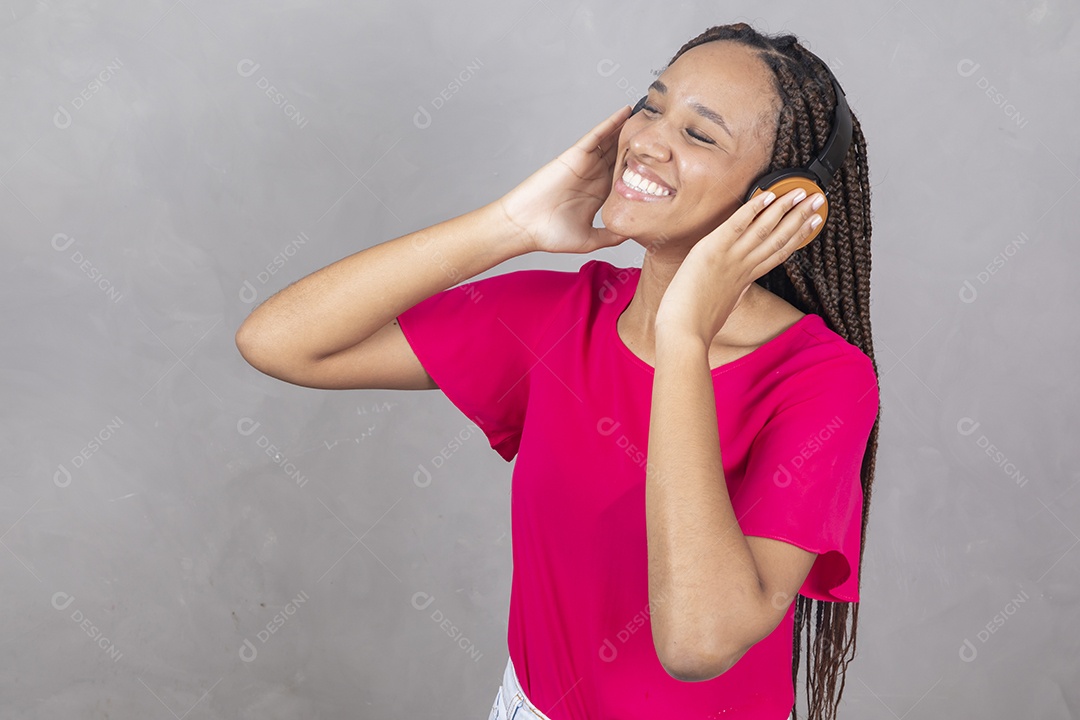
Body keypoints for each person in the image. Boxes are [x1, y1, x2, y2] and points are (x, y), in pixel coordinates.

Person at [236, 21, 880, 720]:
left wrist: (684, 337)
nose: (650, 139)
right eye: (651, 104)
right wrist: (511, 226)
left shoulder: (822, 381)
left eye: (700, 134)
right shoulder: (561, 318)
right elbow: (280, 341)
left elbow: (698, 642)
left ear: (783, 200)